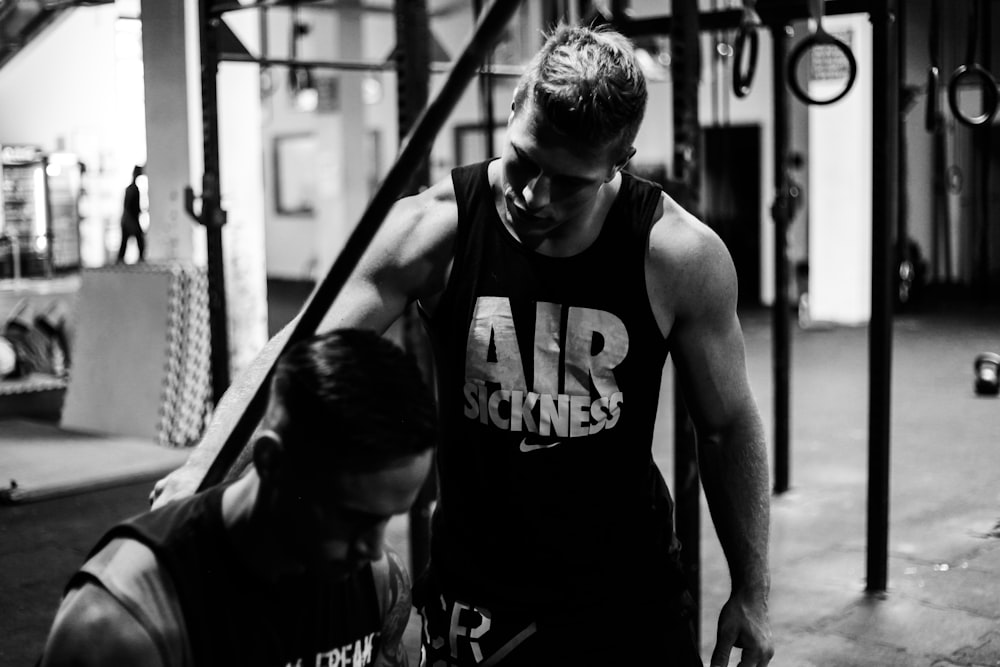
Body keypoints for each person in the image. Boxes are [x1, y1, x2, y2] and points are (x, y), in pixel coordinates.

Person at [153, 24, 774, 666]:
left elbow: (727, 425)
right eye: (524, 159)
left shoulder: (678, 256)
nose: (534, 195)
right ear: (512, 111)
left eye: (569, 181)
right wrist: (203, 474)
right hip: (477, 593)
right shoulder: (432, 228)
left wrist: (752, 591)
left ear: (621, 160)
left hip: (627, 593)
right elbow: (298, 355)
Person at [41, 328, 437, 667]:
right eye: (353, 517)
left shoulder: (380, 582)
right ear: (270, 462)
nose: (372, 548)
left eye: (388, 519)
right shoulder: (121, 622)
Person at [0, 298, 70, 380]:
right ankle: (67, 363)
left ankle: (42, 332)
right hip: (27, 354)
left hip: (11, 339)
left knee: (28, 306)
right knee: (60, 308)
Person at [117, 164, 145, 263]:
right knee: (135, 242)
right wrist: (131, 222)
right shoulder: (132, 189)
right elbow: (128, 207)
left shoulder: (133, 188)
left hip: (130, 219)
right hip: (129, 220)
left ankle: (120, 262)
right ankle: (120, 264)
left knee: (129, 243)